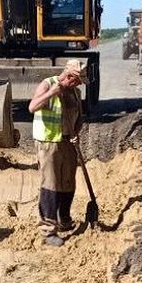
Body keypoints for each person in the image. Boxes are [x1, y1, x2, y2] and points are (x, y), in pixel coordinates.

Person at [27, 59, 85, 247]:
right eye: (76, 81)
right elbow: (32, 107)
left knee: (68, 182)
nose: (78, 84)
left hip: (68, 141)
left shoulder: (75, 93)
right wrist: (52, 93)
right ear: (69, 76)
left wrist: (76, 132)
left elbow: (79, 117)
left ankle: (64, 219)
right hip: (48, 143)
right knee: (51, 185)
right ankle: (48, 230)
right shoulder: (47, 84)